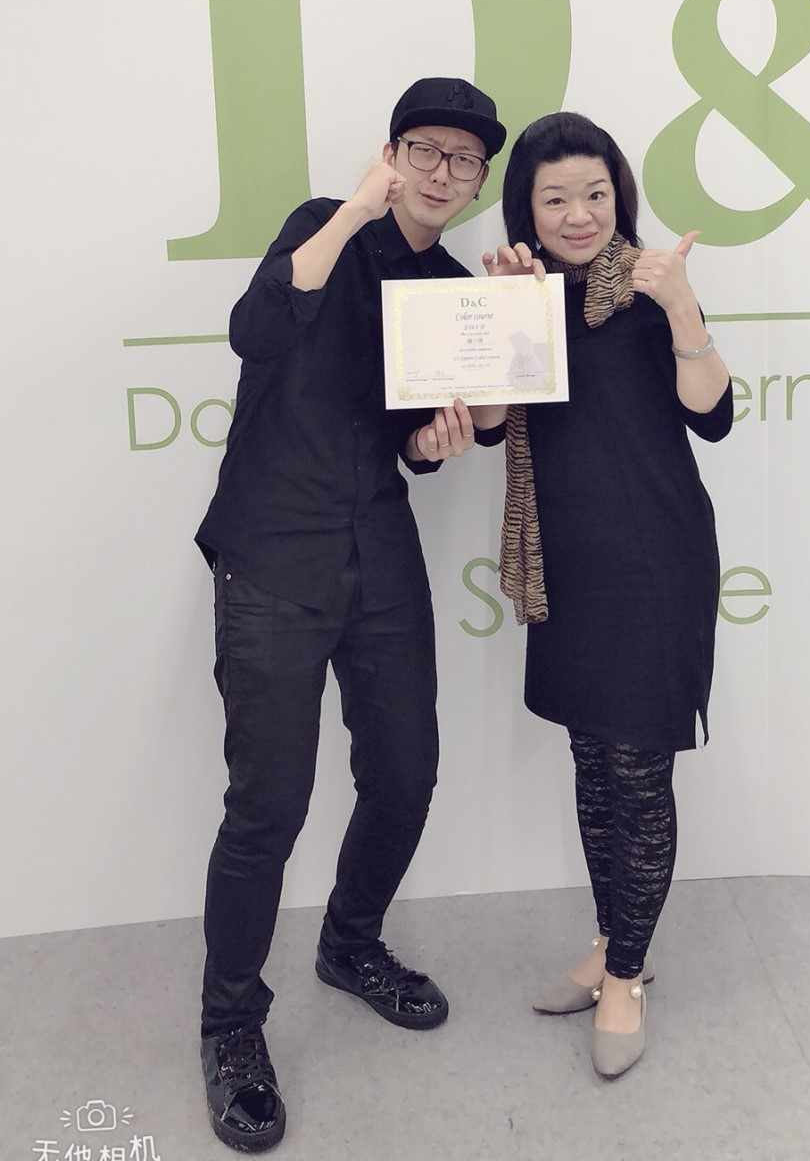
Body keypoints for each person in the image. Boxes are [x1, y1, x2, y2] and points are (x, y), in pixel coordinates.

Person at [194, 78, 508, 1152]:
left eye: (464, 160)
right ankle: (230, 1024)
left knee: (408, 771)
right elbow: (254, 330)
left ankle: (350, 941)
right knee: (268, 805)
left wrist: (440, 438)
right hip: (272, 547)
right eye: (426, 150)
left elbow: (428, 441)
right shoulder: (321, 227)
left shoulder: (452, 289)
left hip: (377, 543)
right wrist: (352, 213)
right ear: (392, 154)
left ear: (478, 181)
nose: (443, 172)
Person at [475, 111, 733, 1081]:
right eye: (556, 199)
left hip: (656, 562)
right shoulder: (524, 296)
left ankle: (627, 974)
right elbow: (490, 425)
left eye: (595, 194)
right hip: (570, 569)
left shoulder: (650, 289)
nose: (580, 214)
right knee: (593, 765)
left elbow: (714, 416)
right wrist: (501, 315)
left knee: (637, 774)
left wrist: (684, 307)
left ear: (618, 196)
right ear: (527, 210)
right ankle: (614, 939)